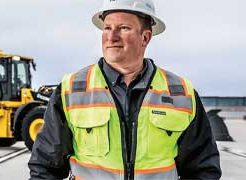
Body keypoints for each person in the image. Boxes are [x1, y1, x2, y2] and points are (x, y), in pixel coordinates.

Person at [28, 0, 222, 179]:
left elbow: (203, 169)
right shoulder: (71, 90)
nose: (112, 37)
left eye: (123, 28)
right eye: (107, 28)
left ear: (145, 37)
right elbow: (45, 167)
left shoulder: (181, 94)